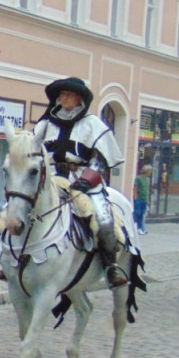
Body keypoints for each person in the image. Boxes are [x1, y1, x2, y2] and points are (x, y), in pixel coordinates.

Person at [29, 77, 128, 288]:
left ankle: (111, 266)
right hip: (51, 179)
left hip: (82, 181)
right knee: (19, 209)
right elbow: (32, 151)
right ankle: (11, 257)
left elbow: (101, 159)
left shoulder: (93, 124)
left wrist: (87, 179)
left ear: (78, 98)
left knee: (104, 220)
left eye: (67, 95)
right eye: (60, 94)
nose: (62, 98)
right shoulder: (46, 124)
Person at [133, 164, 151, 235]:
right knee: (137, 214)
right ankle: (137, 228)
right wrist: (135, 198)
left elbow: (147, 189)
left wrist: (147, 200)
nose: (150, 173)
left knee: (142, 215)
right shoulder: (139, 178)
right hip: (139, 199)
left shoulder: (147, 179)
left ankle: (141, 228)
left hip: (144, 199)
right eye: (149, 171)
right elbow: (135, 188)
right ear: (146, 171)